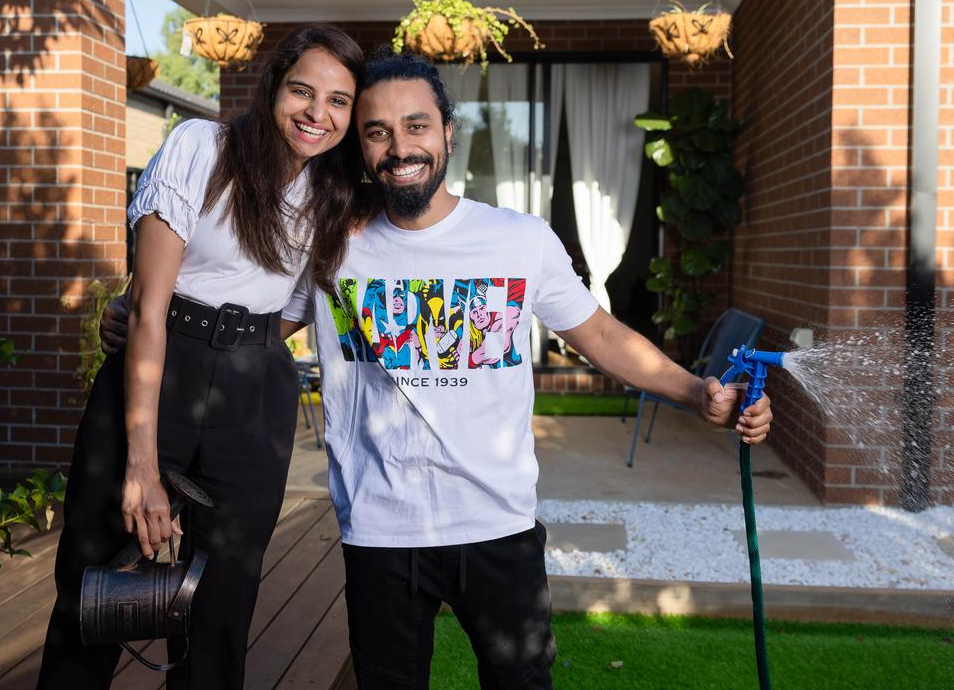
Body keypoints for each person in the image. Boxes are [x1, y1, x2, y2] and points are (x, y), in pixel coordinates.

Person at [102, 50, 772, 689]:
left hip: (498, 526)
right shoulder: (333, 244)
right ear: (358, 148)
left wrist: (696, 393)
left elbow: (598, 331)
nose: (399, 147)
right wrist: (141, 321)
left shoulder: (519, 239)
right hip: (379, 530)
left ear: (448, 133)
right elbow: (252, 326)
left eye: (416, 125)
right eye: (377, 132)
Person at [38, 25, 367, 690]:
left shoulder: (334, 198)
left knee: (221, 609)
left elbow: (294, 309)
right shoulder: (201, 147)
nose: (317, 113)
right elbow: (151, 308)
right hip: (161, 363)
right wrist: (141, 465)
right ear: (273, 86)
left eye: (339, 102)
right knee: (95, 588)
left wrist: (236, 348)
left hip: (255, 391)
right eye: (303, 91)